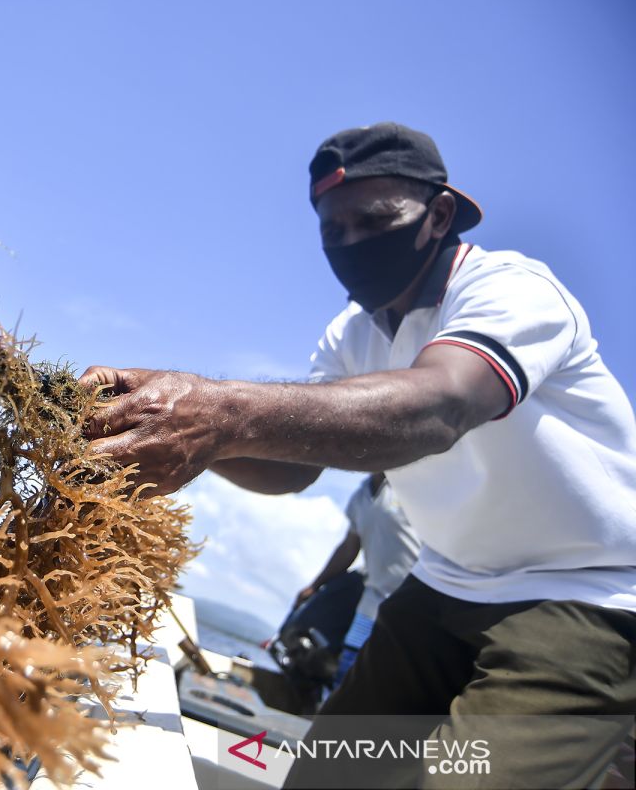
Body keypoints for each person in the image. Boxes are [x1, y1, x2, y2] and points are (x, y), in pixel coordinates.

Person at [79, 122, 636, 787]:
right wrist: (196, 438)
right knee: (326, 777)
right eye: (332, 232)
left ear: (440, 215)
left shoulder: (511, 290)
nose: (350, 246)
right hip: (443, 585)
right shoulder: (351, 336)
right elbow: (293, 468)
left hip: (584, 596)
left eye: (373, 221)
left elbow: (439, 406)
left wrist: (217, 412)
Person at [292, 472, 419, 687]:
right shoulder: (361, 494)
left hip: (412, 610)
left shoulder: (414, 488)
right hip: (370, 606)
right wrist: (315, 585)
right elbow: (349, 547)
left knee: (389, 680)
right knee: (349, 672)